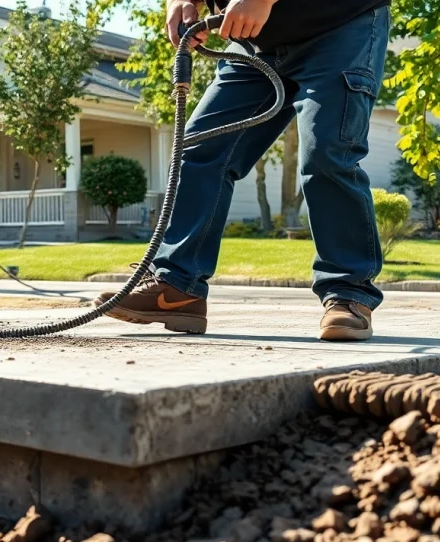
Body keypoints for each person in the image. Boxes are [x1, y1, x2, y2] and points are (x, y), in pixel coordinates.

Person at [96, 0, 390, 342]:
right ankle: (177, 286)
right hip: (255, 43)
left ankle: (348, 294)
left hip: (339, 24)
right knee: (200, 148)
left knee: (327, 151)